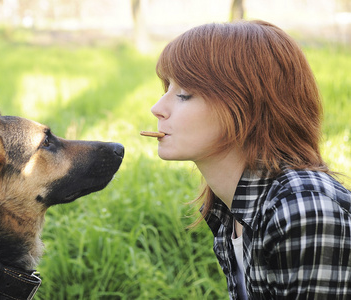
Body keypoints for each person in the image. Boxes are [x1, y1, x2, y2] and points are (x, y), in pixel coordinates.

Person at [150, 20, 351, 299]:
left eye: (184, 94)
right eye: (166, 88)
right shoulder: (229, 209)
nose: (157, 108)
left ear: (245, 105)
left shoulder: (304, 208)